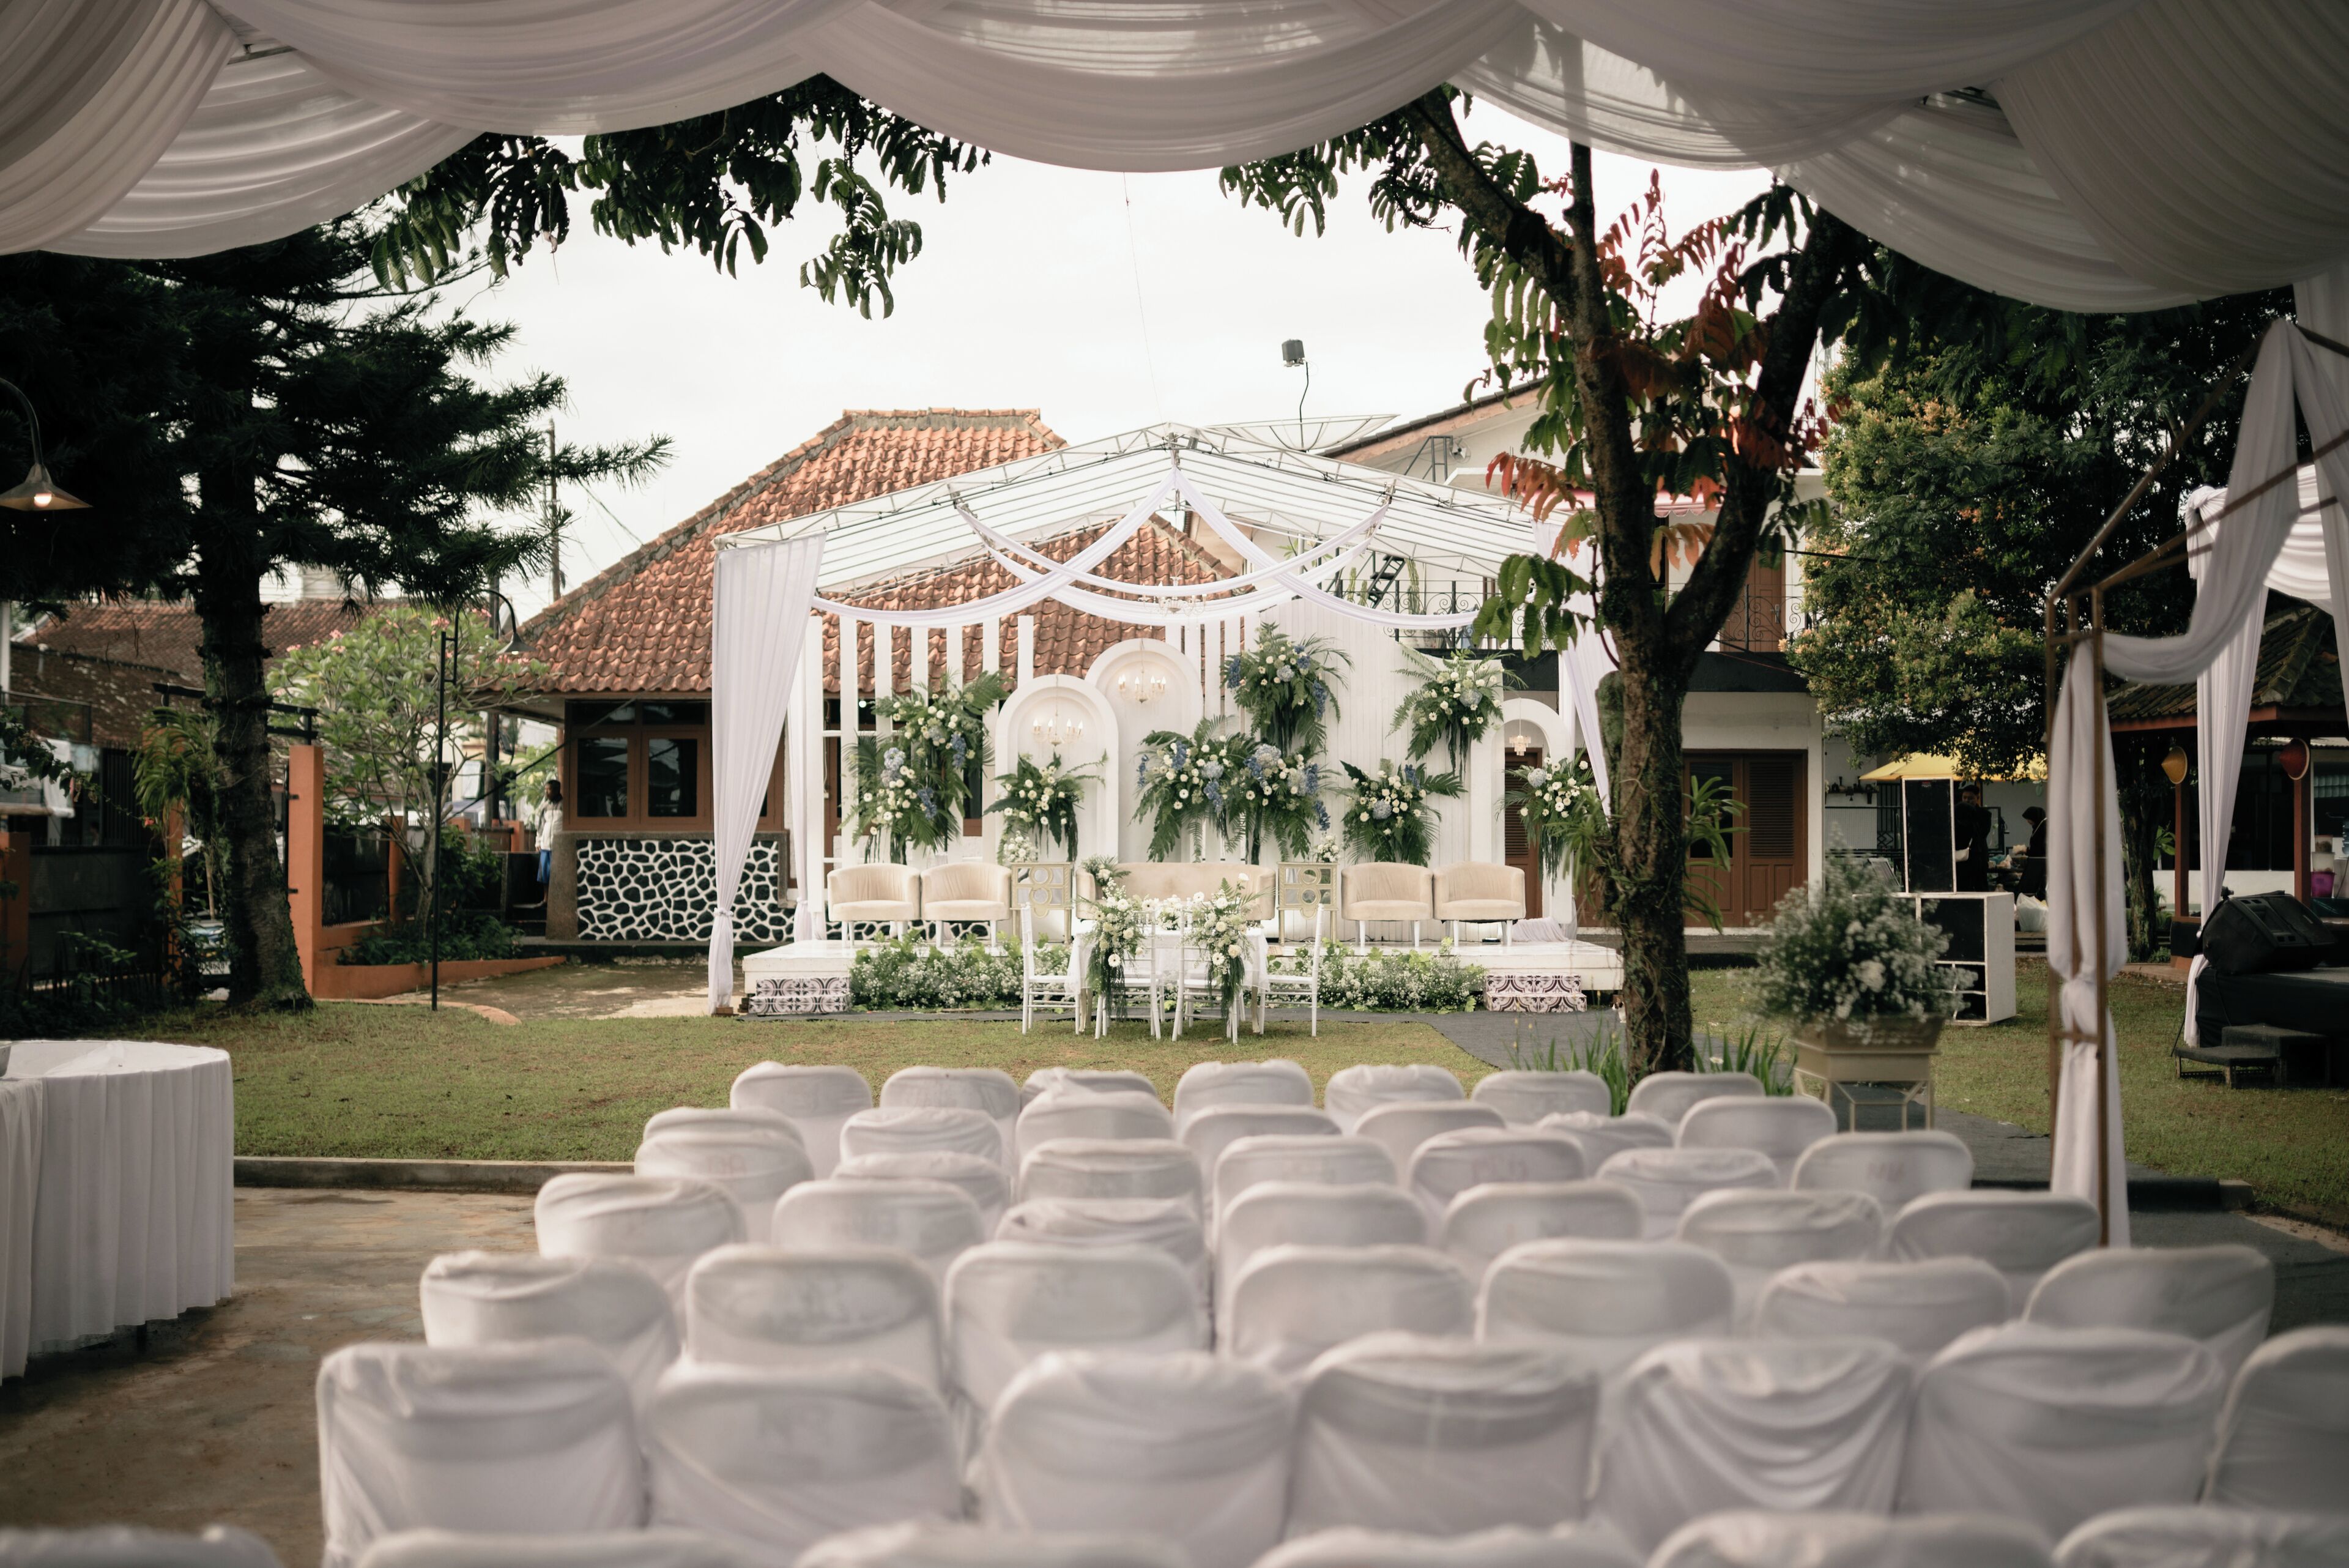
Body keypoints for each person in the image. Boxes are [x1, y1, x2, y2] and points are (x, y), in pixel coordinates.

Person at [1953, 782, 1992, 893]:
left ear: (1977, 798)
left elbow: (1982, 834)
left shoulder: (1984, 815)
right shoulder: (1957, 812)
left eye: (1970, 798)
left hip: (1978, 856)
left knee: (1980, 886)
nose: (1967, 800)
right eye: (1964, 797)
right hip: (1961, 857)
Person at [534, 778, 563, 886]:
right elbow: (541, 825)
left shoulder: (564, 805)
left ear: (556, 790)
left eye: (549, 789)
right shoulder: (545, 806)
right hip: (546, 845)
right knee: (544, 875)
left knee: (559, 874)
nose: (546, 792)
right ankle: (546, 900)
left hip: (559, 846)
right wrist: (538, 842)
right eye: (545, 789)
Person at [2016, 805, 2048, 899]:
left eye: (2029, 819)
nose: (2028, 822)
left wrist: (2026, 850)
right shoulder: (2039, 826)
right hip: (2037, 862)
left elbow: (2039, 847)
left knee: (2030, 887)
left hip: (2038, 863)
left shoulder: (2043, 829)